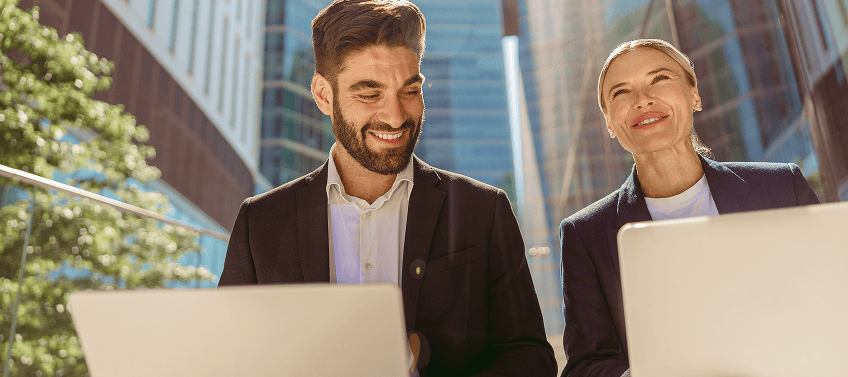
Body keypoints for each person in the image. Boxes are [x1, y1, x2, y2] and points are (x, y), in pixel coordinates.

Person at [218, 1, 556, 376]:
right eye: (369, 93)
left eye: (409, 91)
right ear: (323, 94)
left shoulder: (483, 210)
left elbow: (531, 357)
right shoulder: (260, 222)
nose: (395, 116)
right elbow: (225, 358)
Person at [559, 39, 820, 377]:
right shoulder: (585, 235)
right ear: (610, 122)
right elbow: (586, 366)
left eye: (659, 79)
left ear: (694, 95)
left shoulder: (782, 188)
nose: (642, 100)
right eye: (620, 93)